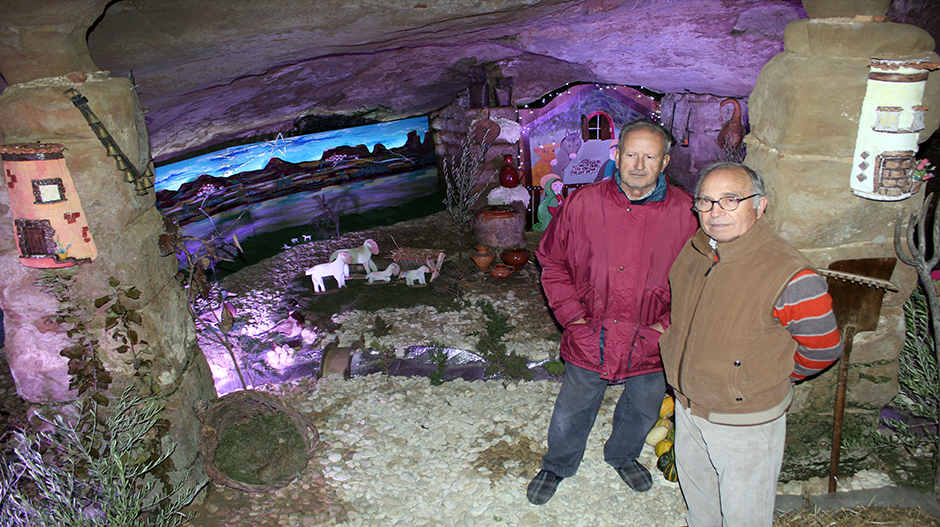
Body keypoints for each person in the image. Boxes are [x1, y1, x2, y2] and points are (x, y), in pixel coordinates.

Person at [659, 162, 843, 527]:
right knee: (701, 503)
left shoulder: (791, 274)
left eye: (731, 200)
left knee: (745, 515)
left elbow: (823, 348)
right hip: (688, 406)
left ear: (760, 206)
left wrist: (764, 377)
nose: (715, 213)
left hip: (744, 421)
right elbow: (684, 315)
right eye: (706, 201)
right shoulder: (696, 250)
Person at [527, 120, 699, 505]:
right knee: (573, 407)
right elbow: (551, 261)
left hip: (652, 336)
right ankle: (558, 463)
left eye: (650, 156)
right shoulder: (582, 203)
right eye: (631, 154)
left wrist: (666, 325)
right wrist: (572, 317)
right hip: (591, 328)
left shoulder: (687, 213)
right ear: (616, 156)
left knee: (643, 407)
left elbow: (701, 278)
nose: (639, 164)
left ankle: (622, 454)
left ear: (665, 161)